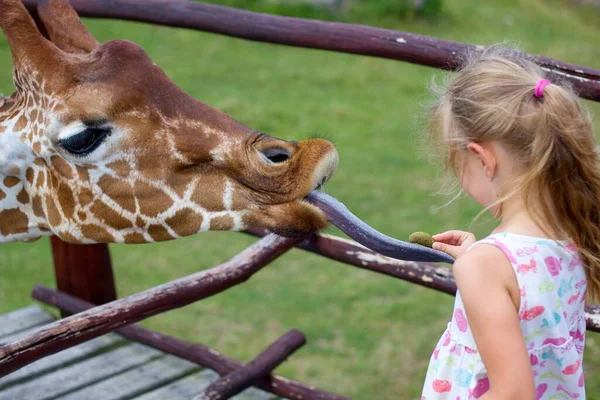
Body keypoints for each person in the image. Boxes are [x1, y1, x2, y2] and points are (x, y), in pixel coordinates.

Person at [420, 45, 598, 399]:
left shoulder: (486, 267)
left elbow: (513, 393)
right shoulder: (573, 238)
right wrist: (481, 260)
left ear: (482, 159)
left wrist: (482, 266)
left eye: (457, 166)